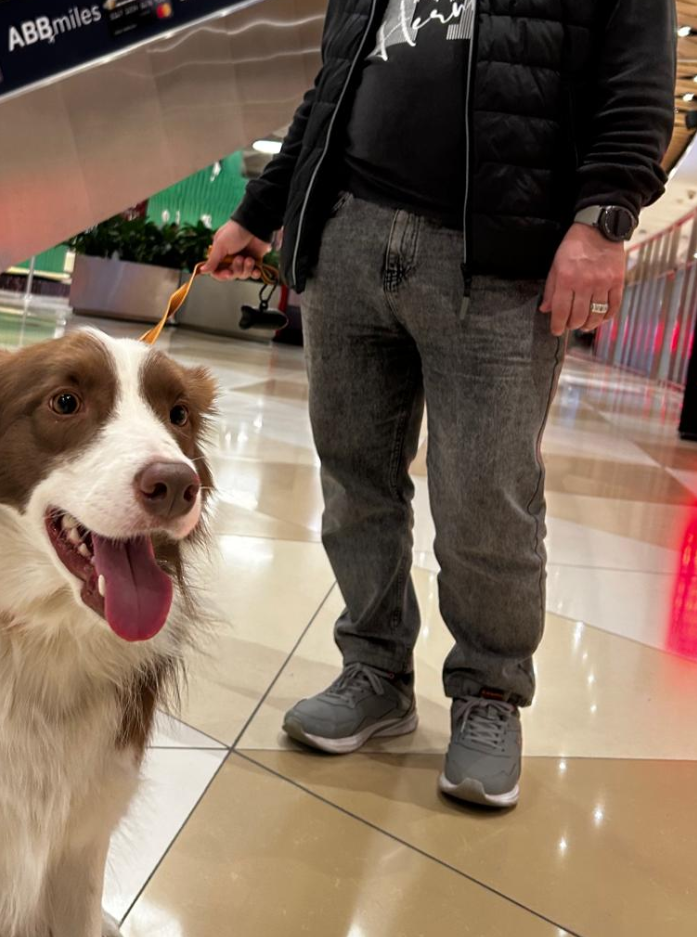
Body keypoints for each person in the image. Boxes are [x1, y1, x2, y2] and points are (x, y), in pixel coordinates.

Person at [206, 0, 676, 808]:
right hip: (348, 236)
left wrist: (603, 224)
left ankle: (490, 694)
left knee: (486, 493)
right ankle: (375, 669)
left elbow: (635, 87)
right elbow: (331, 88)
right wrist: (262, 209)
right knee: (355, 479)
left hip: (499, 258)